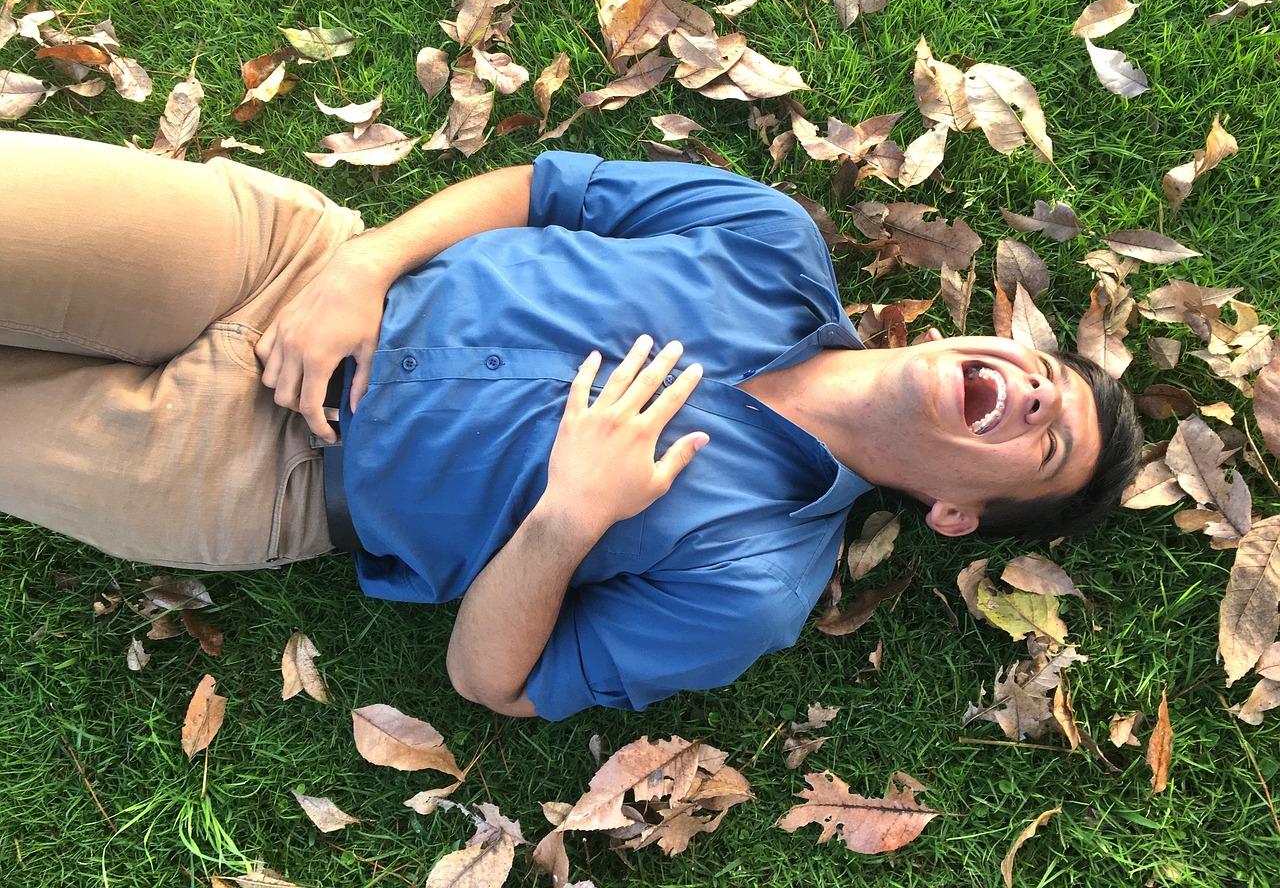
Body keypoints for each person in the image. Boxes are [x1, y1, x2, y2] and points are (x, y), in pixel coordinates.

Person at [0, 130, 1141, 720]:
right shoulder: (771, 240)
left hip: (261, 473)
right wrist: (365, 260)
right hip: (283, 260)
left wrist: (568, 517)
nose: (1037, 393)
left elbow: (492, 682)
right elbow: (542, 189)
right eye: (1047, 376)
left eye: (1044, 441)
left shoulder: (754, 584)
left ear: (956, 512)